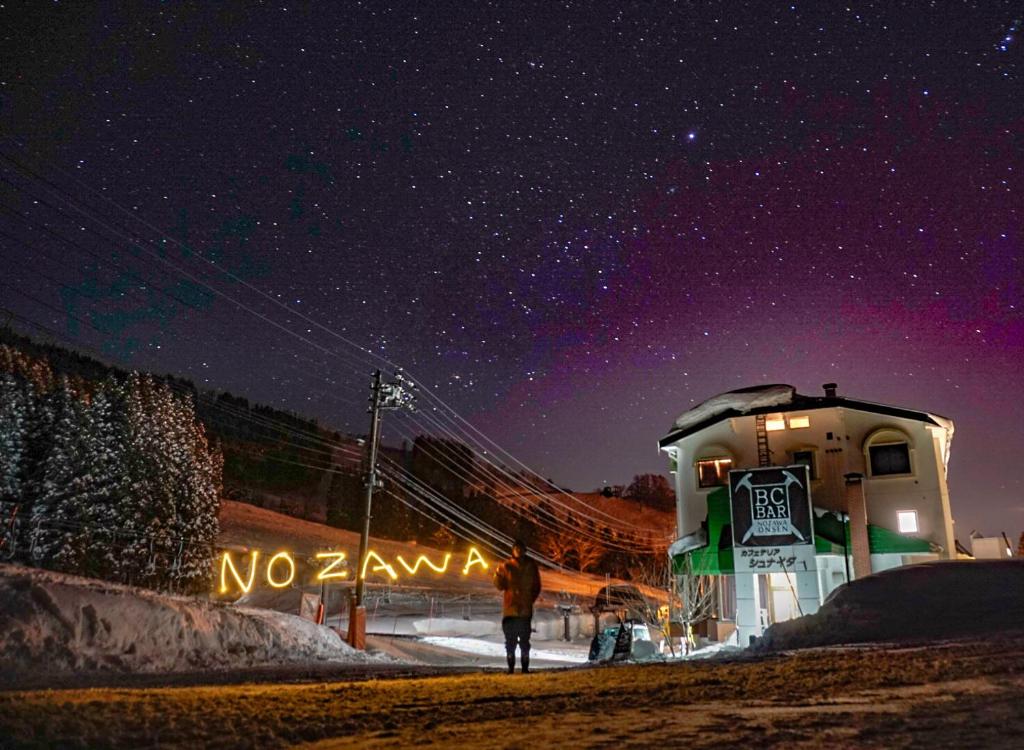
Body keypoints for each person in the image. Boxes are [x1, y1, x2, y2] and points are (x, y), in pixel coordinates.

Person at [492, 538, 542, 674]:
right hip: (510, 611)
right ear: (513, 550)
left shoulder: (531, 566)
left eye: (521, 549)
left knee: (525, 641)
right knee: (510, 641)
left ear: (525, 551)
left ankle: (525, 668)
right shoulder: (506, 566)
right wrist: (497, 576)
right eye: (516, 548)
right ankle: (511, 668)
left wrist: (529, 600)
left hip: (524, 612)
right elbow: (499, 585)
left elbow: (537, 586)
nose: (518, 551)